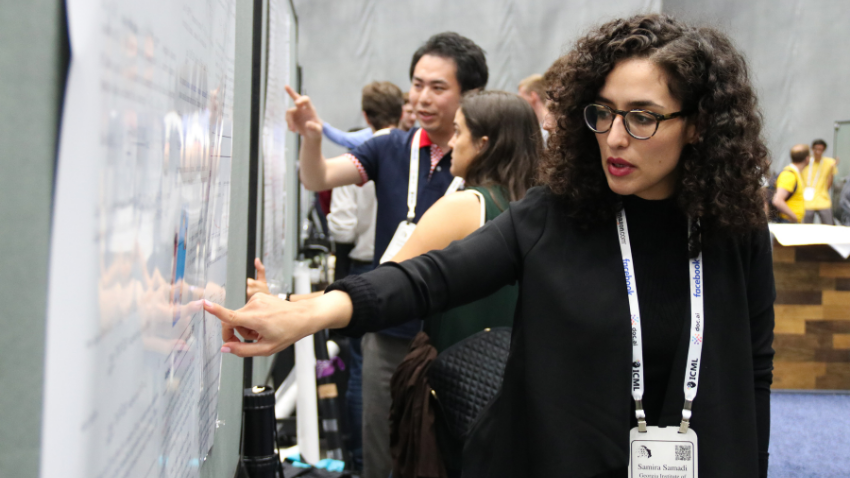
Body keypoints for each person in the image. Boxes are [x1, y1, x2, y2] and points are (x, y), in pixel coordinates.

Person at [205, 14, 774, 478]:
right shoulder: (556, 214)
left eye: (643, 118)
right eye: (603, 113)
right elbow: (431, 275)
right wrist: (309, 311)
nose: (616, 138)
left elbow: (753, 369)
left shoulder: (733, 229)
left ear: (698, 125)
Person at [283, 32, 488, 478]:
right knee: (380, 444)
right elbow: (318, 178)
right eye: (417, 84)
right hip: (389, 326)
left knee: (446, 451)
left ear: (470, 94)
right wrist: (312, 137)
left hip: (453, 333)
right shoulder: (389, 146)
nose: (422, 98)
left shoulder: (483, 158)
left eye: (438, 87)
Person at [322, 81, 405, 151]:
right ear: (402, 114)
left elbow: (342, 138)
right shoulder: (412, 147)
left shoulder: (364, 153)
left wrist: (318, 123)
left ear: (366, 117)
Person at [801, 138, 838, 224]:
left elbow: (829, 184)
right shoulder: (806, 161)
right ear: (812, 149)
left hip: (823, 198)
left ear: (824, 150)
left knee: (828, 224)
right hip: (807, 199)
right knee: (806, 225)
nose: (818, 152)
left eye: (820, 150)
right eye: (816, 149)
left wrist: (831, 171)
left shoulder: (829, 162)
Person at [772, 144, 810, 223]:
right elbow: (777, 200)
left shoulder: (796, 173)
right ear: (807, 159)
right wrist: (794, 217)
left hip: (790, 221)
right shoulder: (789, 175)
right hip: (787, 221)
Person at [517, 73, 551, 146]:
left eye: (521, 97)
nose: (519, 102)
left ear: (533, 96)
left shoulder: (550, 124)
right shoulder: (537, 126)